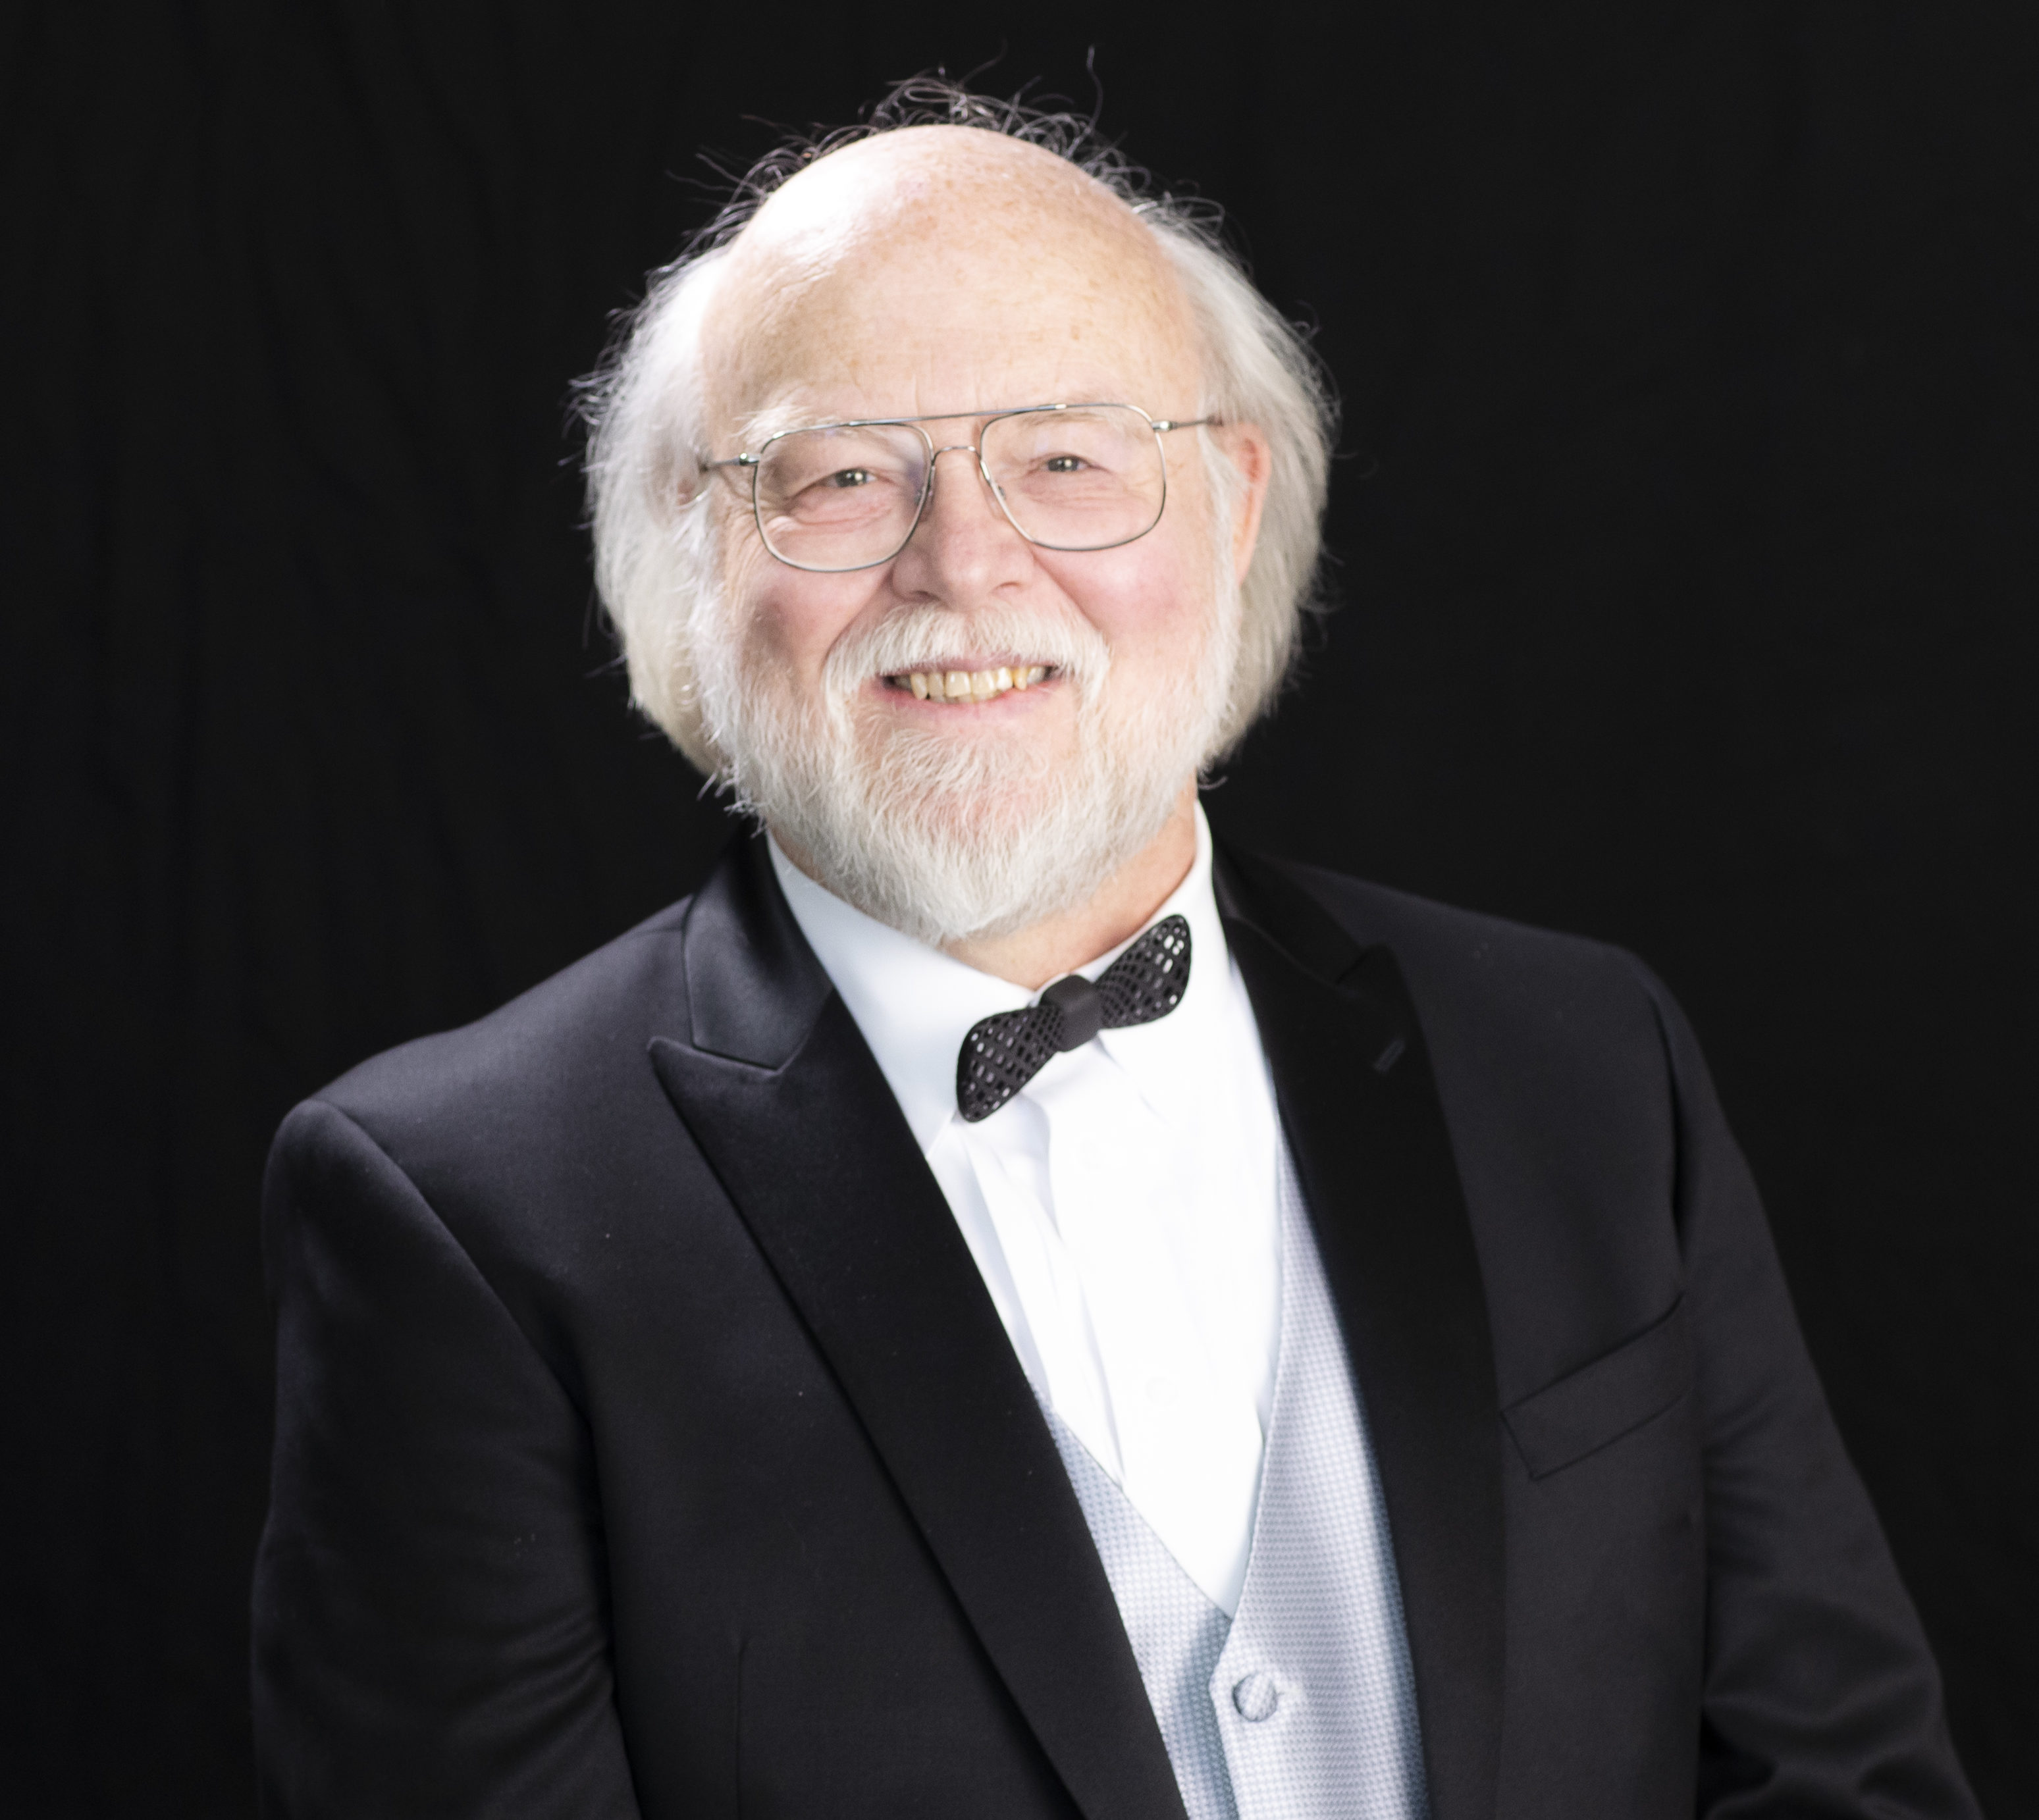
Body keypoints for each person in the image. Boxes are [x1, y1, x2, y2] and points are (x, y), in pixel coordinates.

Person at [252, 84, 1976, 1820]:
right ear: (692, 555)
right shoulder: (461, 1211)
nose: (964, 564)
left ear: (1231, 508)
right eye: (840, 476)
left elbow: (1841, 1781)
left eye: (1067, 458)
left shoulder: (1581, 1061)